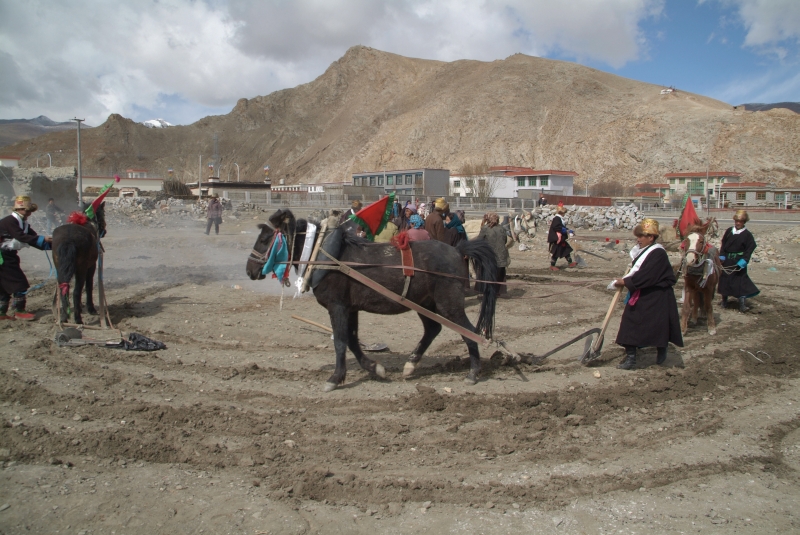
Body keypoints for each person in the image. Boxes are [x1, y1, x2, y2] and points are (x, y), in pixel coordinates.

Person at [613, 218, 683, 369]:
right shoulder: (644, 251)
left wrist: (626, 282)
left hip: (657, 296)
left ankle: (661, 348)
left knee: (657, 326)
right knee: (630, 322)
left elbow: (647, 275)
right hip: (643, 292)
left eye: (641, 236)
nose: (638, 240)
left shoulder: (658, 253)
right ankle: (631, 357)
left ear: (651, 237)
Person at [0, 196, 53, 320]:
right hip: (3, 256)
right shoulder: (10, 221)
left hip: (9, 255)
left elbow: (33, 238)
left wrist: (51, 245)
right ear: (20, 209)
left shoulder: (23, 223)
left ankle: (1, 313)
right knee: (19, 282)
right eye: (27, 211)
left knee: (3, 285)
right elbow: (21, 237)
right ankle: (19, 310)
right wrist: (43, 238)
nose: (29, 213)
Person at [718, 209, 759, 312]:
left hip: (738, 261)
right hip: (727, 260)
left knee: (741, 282)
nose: (737, 223)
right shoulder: (729, 231)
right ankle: (724, 301)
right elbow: (723, 244)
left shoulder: (747, 235)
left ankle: (742, 304)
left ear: (744, 222)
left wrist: (744, 260)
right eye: (736, 221)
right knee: (725, 281)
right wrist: (722, 255)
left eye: (740, 222)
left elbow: (749, 249)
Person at [477, 212, 511, 296]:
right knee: (499, 275)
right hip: (501, 256)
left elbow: (479, 240)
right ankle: (498, 292)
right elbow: (505, 241)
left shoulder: (485, 228)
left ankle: (486, 292)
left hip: (490, 256)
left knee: (487, 274)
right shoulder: (502, 229)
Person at [547, 204, 576, 270]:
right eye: (564, 213)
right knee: (556, 252)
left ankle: (570, 263)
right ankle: (552, 265)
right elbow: (556, 227)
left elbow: (561, 227)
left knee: (566, 250)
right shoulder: (557, 219)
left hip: (561, 239)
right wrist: (565, 230)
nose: (564, 214)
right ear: (562, 213)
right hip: (557, 239)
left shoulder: (559, 219)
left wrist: (568, 230)